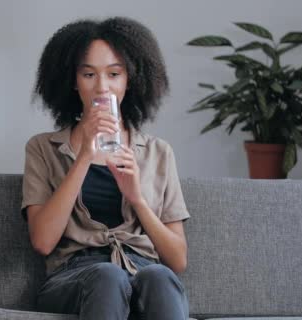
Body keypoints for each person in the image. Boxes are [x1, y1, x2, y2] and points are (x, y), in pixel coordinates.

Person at [22, 16, 190, 320]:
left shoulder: (158, 153)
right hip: (73, 276)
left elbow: (177, 260)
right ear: (73, 81)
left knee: (160, 276)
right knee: (107, 276)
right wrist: (84, 156)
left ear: (130, 79)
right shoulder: (42, 148)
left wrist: (137, 198)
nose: (102, 87)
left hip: (142, 271)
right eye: (89, 74)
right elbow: (43, 242)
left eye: (114, 74)